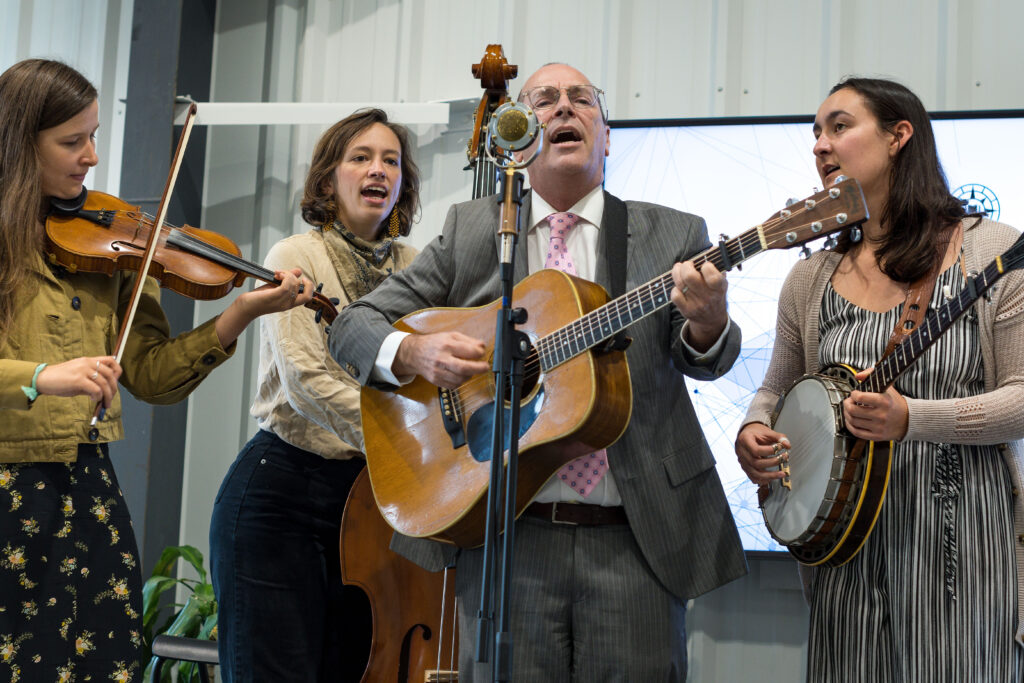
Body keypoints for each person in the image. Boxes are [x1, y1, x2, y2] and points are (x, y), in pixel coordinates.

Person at [328, 63, 746, 681]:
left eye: (583, 100)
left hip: (636, 538)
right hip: (506, 536)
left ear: (607, 136)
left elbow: (702, 356)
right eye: (544, 100)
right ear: (517, 136)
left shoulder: (674, 233)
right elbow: (352, 326)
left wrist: (710, 322)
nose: (564, 109)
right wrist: (412, 354)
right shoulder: (473, 231)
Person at [0, 58, 313, 682]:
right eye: (71, 141)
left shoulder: (114, 242)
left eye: (94, 136)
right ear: (17, 141)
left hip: (87, 486)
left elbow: (150, 375)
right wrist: (42, 376)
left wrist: (241, 313)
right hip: (10, 485)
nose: (91, 156)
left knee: (105, 663)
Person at [736, 77, 1024, 681]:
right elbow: (774, 387)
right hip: (842, 553)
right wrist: (753, 429)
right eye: (815, 132)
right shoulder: (810, 278)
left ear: (899, 136)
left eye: (839, 126)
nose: (820, 145)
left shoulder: (994, 251)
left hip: (960, 547)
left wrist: (914, 419)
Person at [209, 108, 421, 682]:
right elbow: (308, 384)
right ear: (329, 179)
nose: (378, 170)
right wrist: (407, 434)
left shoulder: (416, 267)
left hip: (372, 502)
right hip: (283, 496)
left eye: (391, 161)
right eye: (361, 158)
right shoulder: (294, 256)